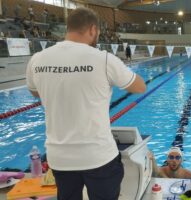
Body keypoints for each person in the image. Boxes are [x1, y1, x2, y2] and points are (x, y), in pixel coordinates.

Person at [26, 8, 146, 200]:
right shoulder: (104, 59)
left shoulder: (38, 59)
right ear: (92, 29)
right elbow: (140, 87)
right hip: (98, 156)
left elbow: (34, 91)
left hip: (59, 158)